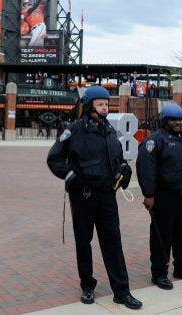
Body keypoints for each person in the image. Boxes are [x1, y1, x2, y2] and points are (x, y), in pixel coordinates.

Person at [46, 86, 142, 310]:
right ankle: (87, 286)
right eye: (100, 104)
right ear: (89, 106)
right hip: (84, 196)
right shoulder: (74, 130)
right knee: (84, 242)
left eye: (107, 104)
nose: (105, 107)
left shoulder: (109, 130)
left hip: (107, 196)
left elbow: (117, 157)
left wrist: (123, 170)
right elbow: (54, 159)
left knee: (113, 242)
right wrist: (72, 177)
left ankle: (122, 291)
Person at [136, 102, 182, 290]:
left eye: (179, 120)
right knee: (162, 235)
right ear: (164, 120)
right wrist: (148, 194)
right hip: (164, 196)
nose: (177, 123)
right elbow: (146, 169)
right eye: (173, 119)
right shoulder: (155, 140)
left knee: (180, 233)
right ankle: (159, 273)